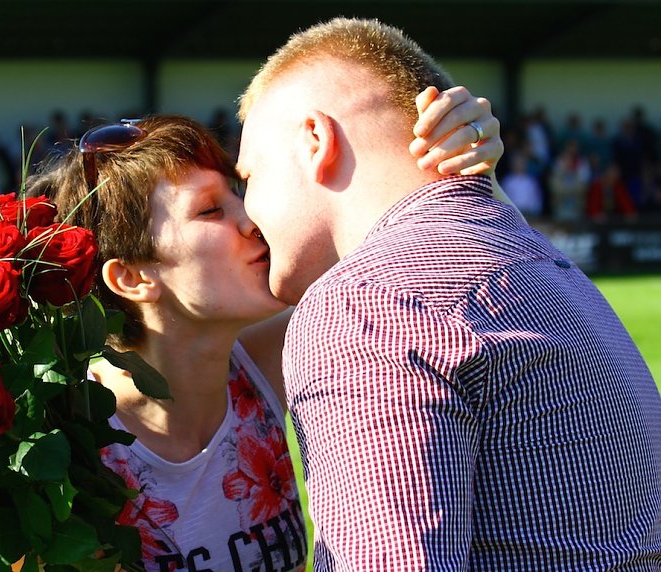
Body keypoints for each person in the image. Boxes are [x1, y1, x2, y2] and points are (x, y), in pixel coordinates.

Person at [236, 17, 661, 571]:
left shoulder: (367, 301)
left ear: (316, 140)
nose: (247, 216)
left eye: (249, 177)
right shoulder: (545, 265)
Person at [25, 90, 503, 571]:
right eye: (210, 211)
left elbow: (464, 276)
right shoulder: (64, 448)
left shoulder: (275, 357)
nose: (252, 219)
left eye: (236, 194)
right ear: (132, 278)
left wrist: (470, 173)